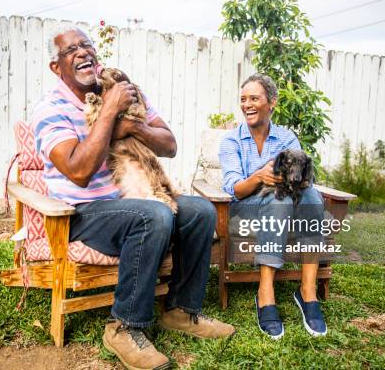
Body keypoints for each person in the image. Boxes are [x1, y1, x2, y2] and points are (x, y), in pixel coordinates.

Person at [31, 26, 235, 370]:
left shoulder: (123, 92)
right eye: (71, 51)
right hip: (83, 213)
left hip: (139, 194)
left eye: (87, 45)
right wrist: (110, 114)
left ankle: (181, 311)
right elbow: (78, 171)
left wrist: (134, 126)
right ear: (57, 67)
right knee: (153, 215)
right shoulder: (50, 109)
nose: (83, 53)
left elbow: (169, 144)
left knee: (200, 210)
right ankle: (124, 328)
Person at [219, 73, 327, 340]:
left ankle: (307, 291)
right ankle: (265, 293)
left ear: (272, 103)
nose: (247, 104)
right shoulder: (231, 141)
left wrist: (293, 180)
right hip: (246, 207)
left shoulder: (287, 138)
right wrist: (259, 177)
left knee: (312, 198)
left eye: (254, 98)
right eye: (243, 99)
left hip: (287, 203)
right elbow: (234, 188)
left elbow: (303, 177)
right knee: (276, 199)